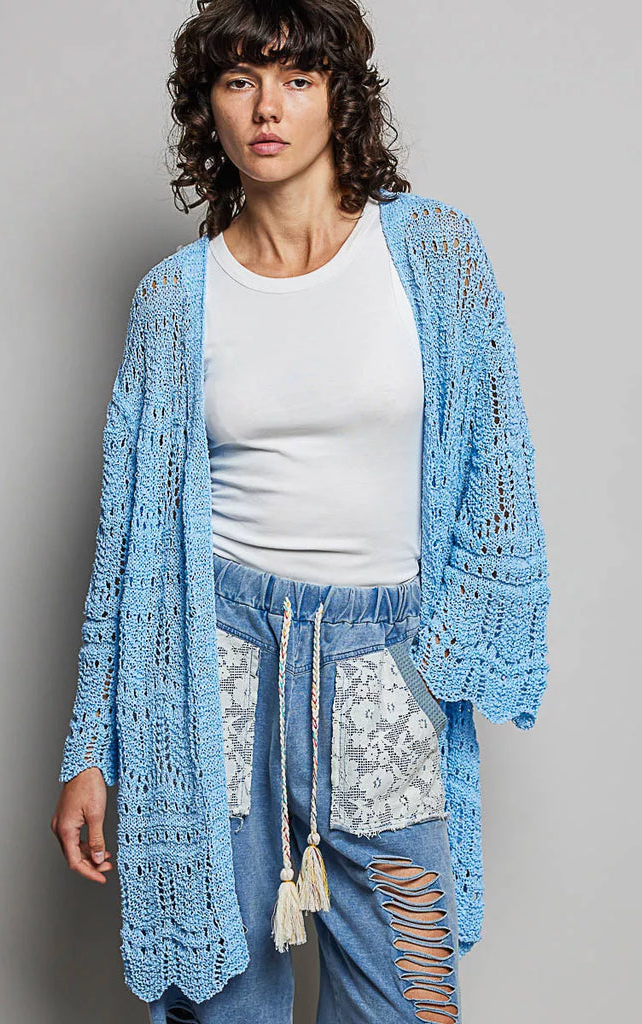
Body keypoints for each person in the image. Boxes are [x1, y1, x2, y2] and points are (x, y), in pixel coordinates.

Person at [50, 2, 551, 1022]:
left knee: (405, 995)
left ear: (339, 98)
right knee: (218, 996)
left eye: (295, 79)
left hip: (380, 654)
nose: (266, 108)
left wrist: (438, 659)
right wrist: (91, 746)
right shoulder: (174, 300)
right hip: (210, 660)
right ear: (210, 108)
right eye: (238, 81)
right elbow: (127, 545)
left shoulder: (434, 253)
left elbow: (494, 468)